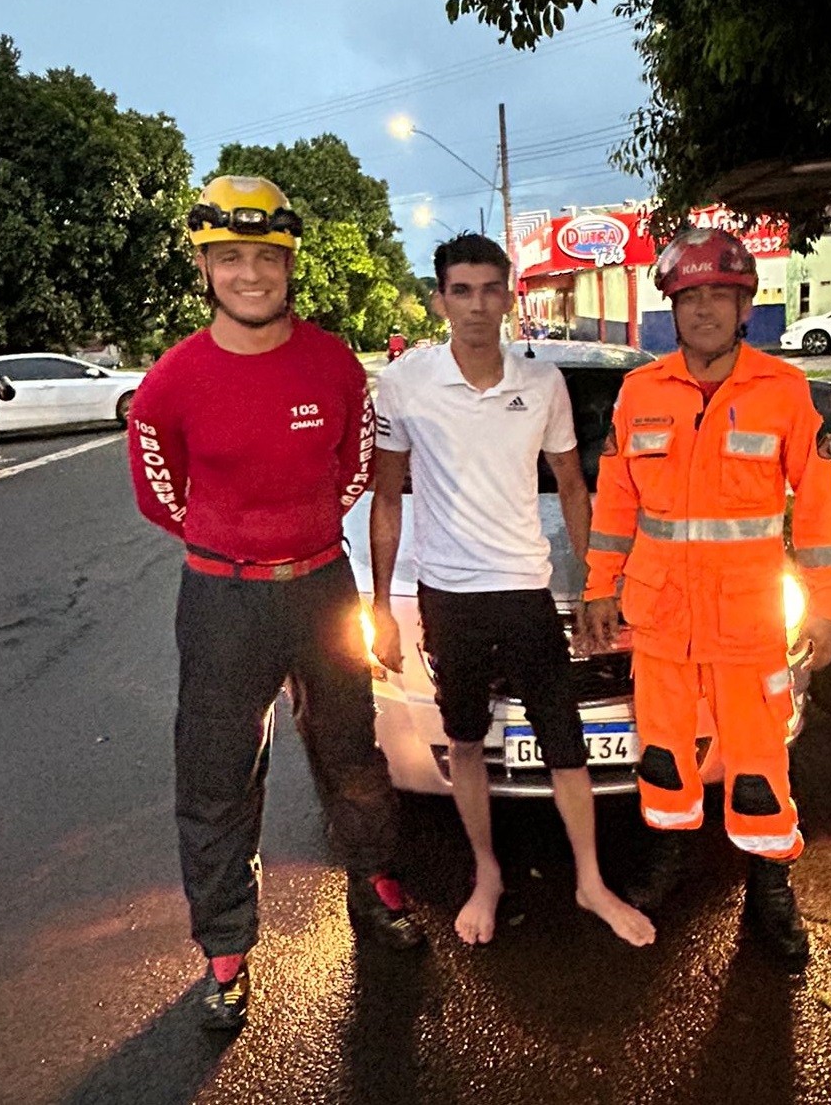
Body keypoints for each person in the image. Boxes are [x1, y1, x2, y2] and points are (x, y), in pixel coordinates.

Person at [128, 175, 422, 1032]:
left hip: (323, 587)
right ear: (206, 269)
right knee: (217, 775)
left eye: (265, 256)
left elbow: (356, 468)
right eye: (230, 258)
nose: (249, 274)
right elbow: (162, 496)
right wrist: (237, 540)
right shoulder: (171, 381)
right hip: (221, 600)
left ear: (288, 265)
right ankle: (225, 947)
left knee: (352, 753)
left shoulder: (332, 363)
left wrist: (299, 534)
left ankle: (374, 884)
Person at [369, 233, 656, 949]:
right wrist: (379, 603)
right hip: (447, 595)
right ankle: (486, 873)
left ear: (508, 295)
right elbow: (385, 499)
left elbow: (571, 485)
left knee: (566, 743)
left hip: (526, 589)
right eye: (459, 290)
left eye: (488, 289)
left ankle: (589, 881)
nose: (475, 305)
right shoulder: (404, 383)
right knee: (464, 739)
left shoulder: (541, 386)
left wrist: (595, 585)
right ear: (440, 299)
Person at [580, 227, 831, 970]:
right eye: (688, 296)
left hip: (749, 621)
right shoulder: (641, 391)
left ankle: (769, 882)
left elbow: (818, 508)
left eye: (717, 296)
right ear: (671, 308)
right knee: (665, 758)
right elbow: (616, 504)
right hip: (661, 621)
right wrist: (599, 587)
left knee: (759, 764)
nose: (702, 310)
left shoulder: (781, 390)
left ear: (743, 305)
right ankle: (667, 858)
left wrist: (825, 606)